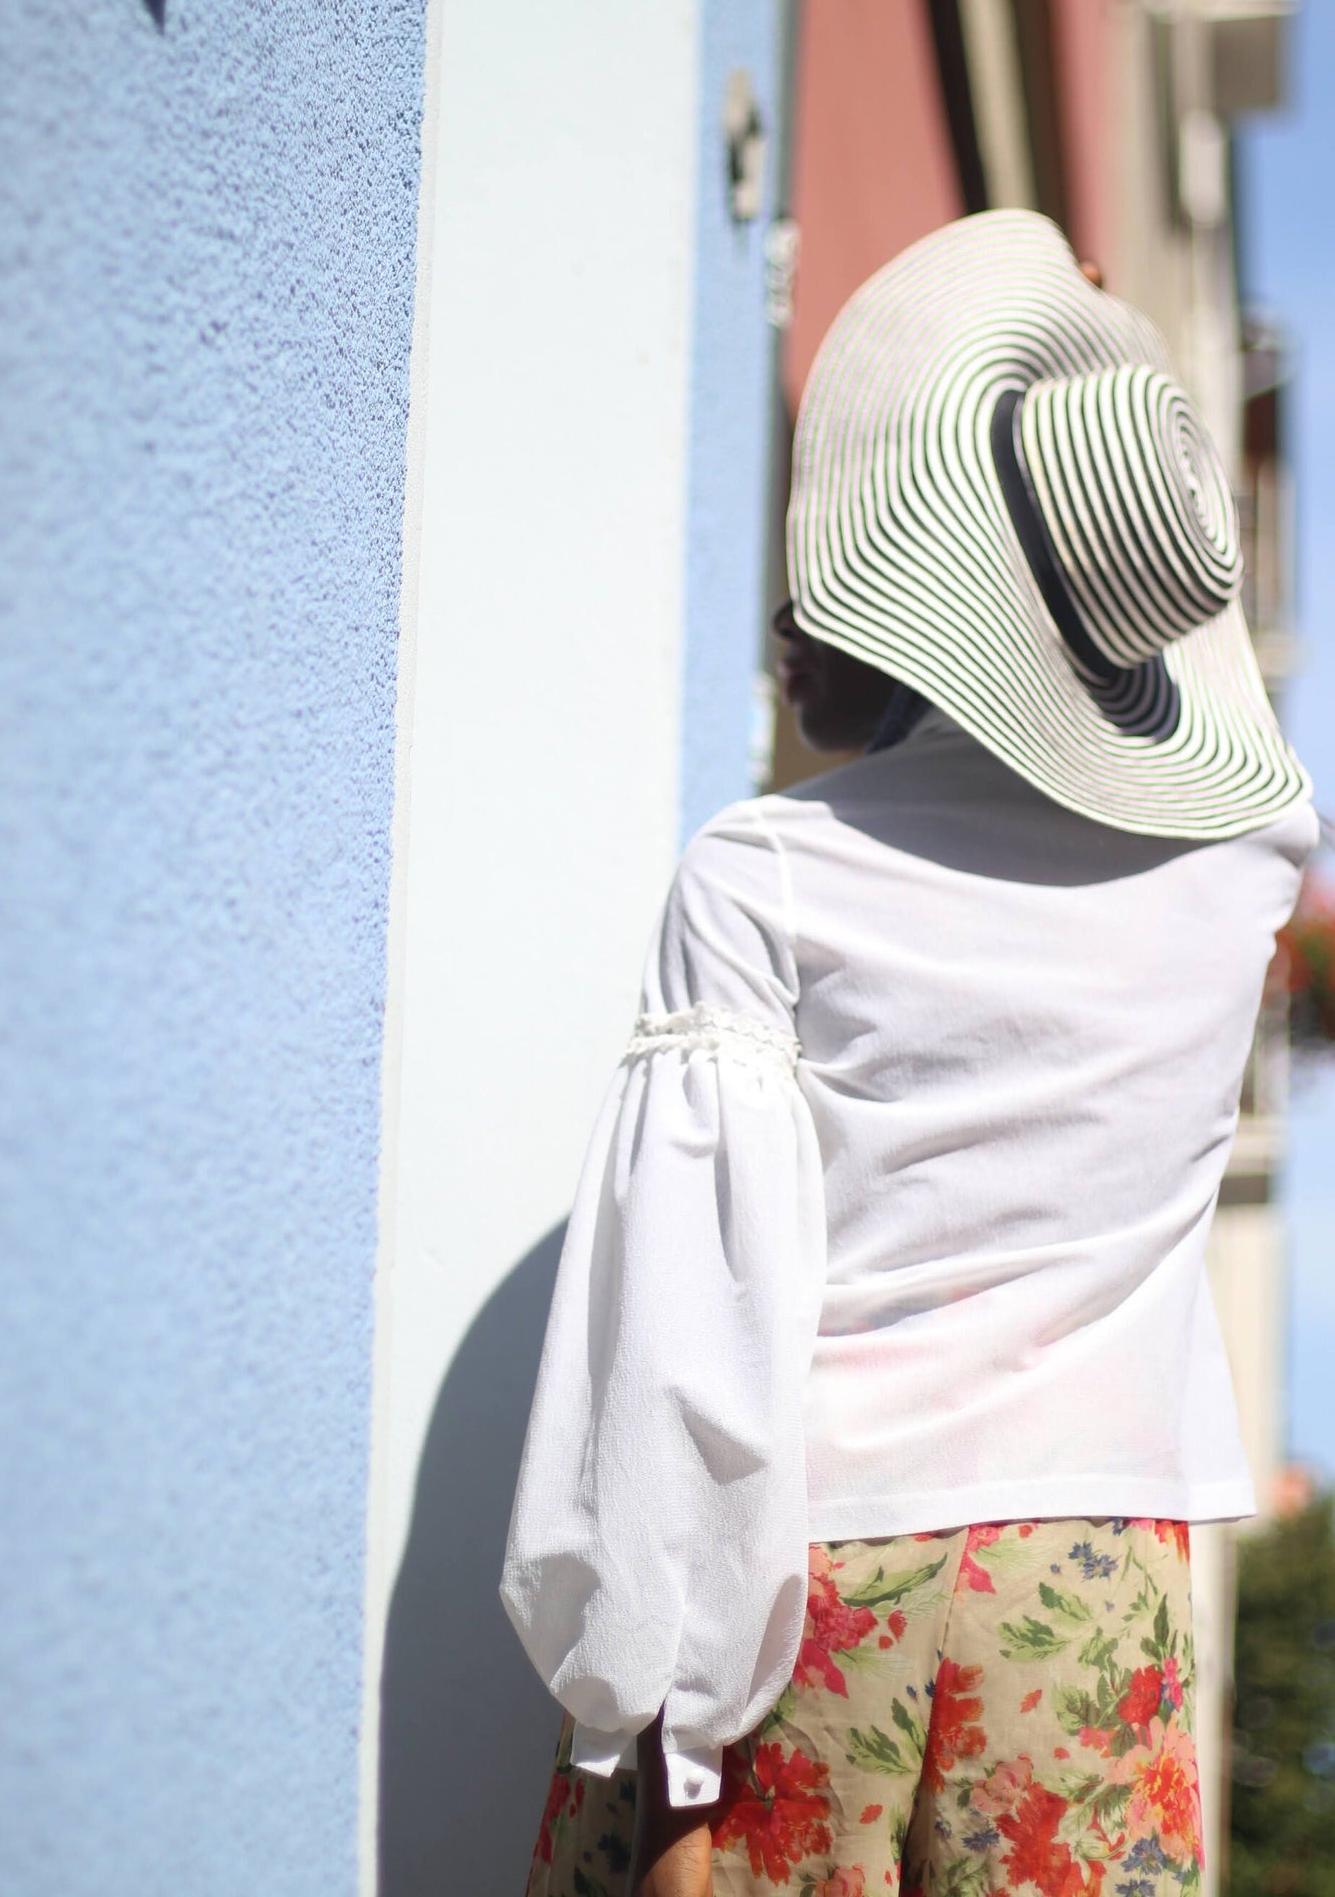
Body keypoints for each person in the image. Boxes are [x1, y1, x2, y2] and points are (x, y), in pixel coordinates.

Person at [500, 212, 1315, 1897]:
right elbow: (1207, 690)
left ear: (917, 562)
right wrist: (1111, 391)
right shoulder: (1251, 858)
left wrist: (671, 1774)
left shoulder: (765, 869)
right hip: (1089, 1584)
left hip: (808, 1585)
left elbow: (682, 1341)